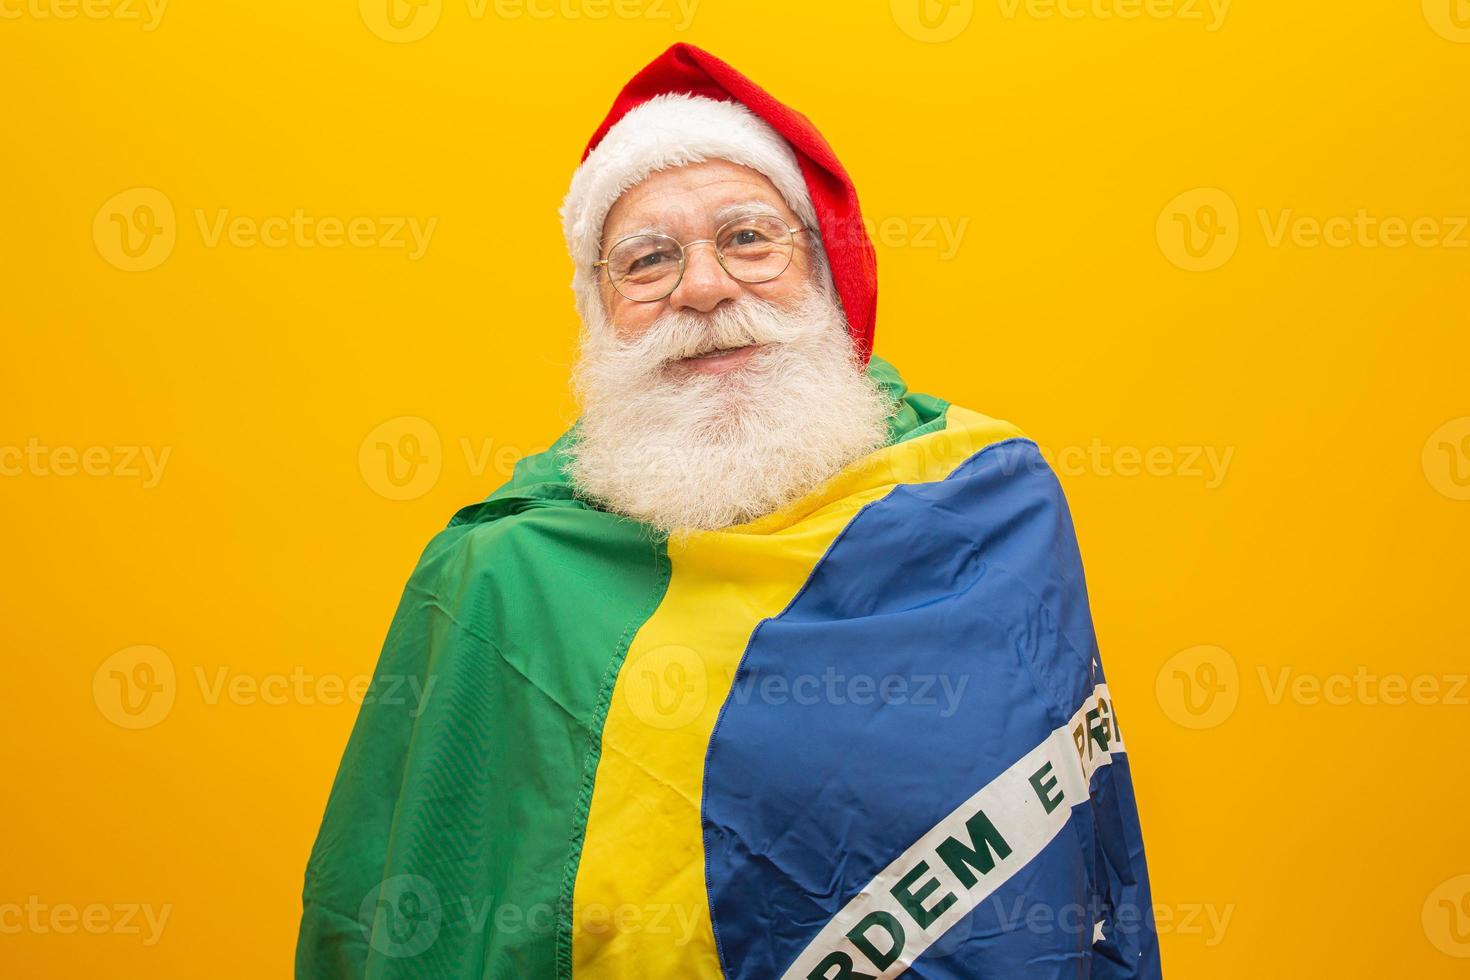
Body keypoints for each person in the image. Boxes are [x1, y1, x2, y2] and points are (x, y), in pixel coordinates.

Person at [295, 42, 1162, 980]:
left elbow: (1086, 855)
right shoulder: (502, 576)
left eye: (749, 238)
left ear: (829, 272)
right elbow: (420, 905)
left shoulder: (989, 500)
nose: (702, 289)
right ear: (598, 310)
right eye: (647, 260)